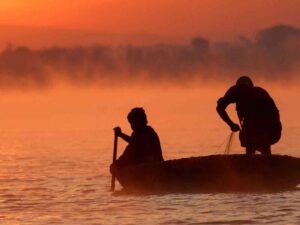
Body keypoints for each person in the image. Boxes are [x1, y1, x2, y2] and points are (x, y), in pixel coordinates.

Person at [216, 76, 282, 155]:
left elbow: (219, 108)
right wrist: (231, 124)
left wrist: (231, 124)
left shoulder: (236, 90)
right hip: (274, 130)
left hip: (268, 129)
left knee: (251, 138)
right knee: (261, 142)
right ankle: (264, 156)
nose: (243, 90)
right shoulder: (261, 91)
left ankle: (252, 157)